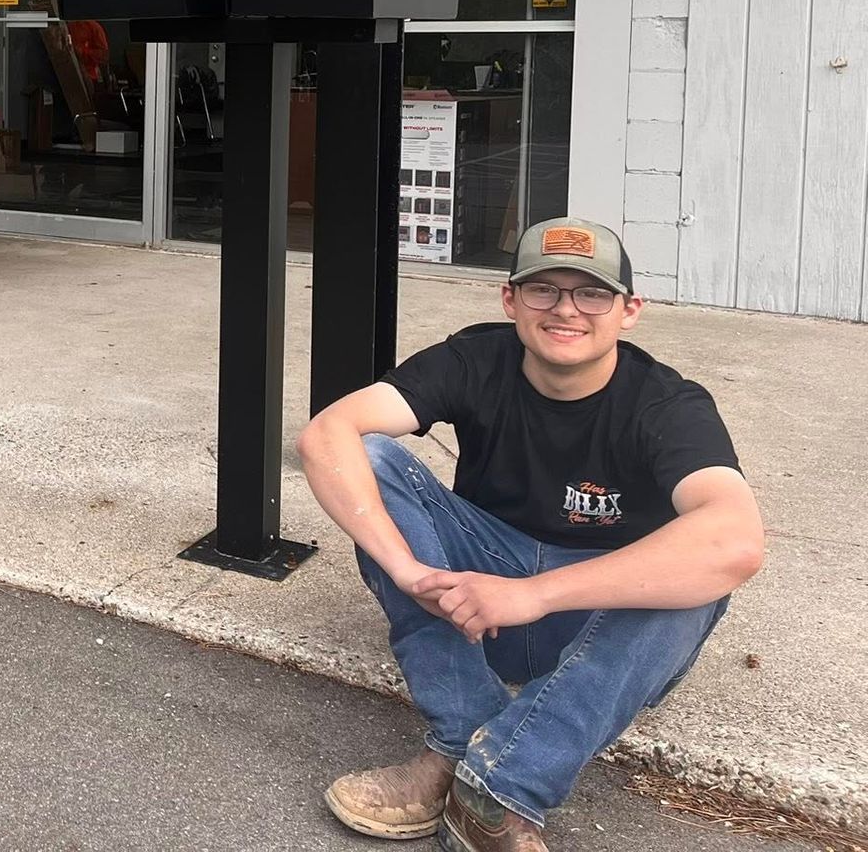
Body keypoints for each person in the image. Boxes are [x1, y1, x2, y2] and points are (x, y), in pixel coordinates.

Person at [299, 219, 765, 852]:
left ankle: (498, 786)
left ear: (628, 312)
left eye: (591, 294)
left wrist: (537, 594)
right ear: (511, 300)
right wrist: (410, 574)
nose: (566, 310)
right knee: (374, 458)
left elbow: (735, 539)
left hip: (597, 631)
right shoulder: (474, 358)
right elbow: (328, 435)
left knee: (699, 571)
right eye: (544, 290)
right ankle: (464, 737)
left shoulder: (667, 404)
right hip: (470, 605)